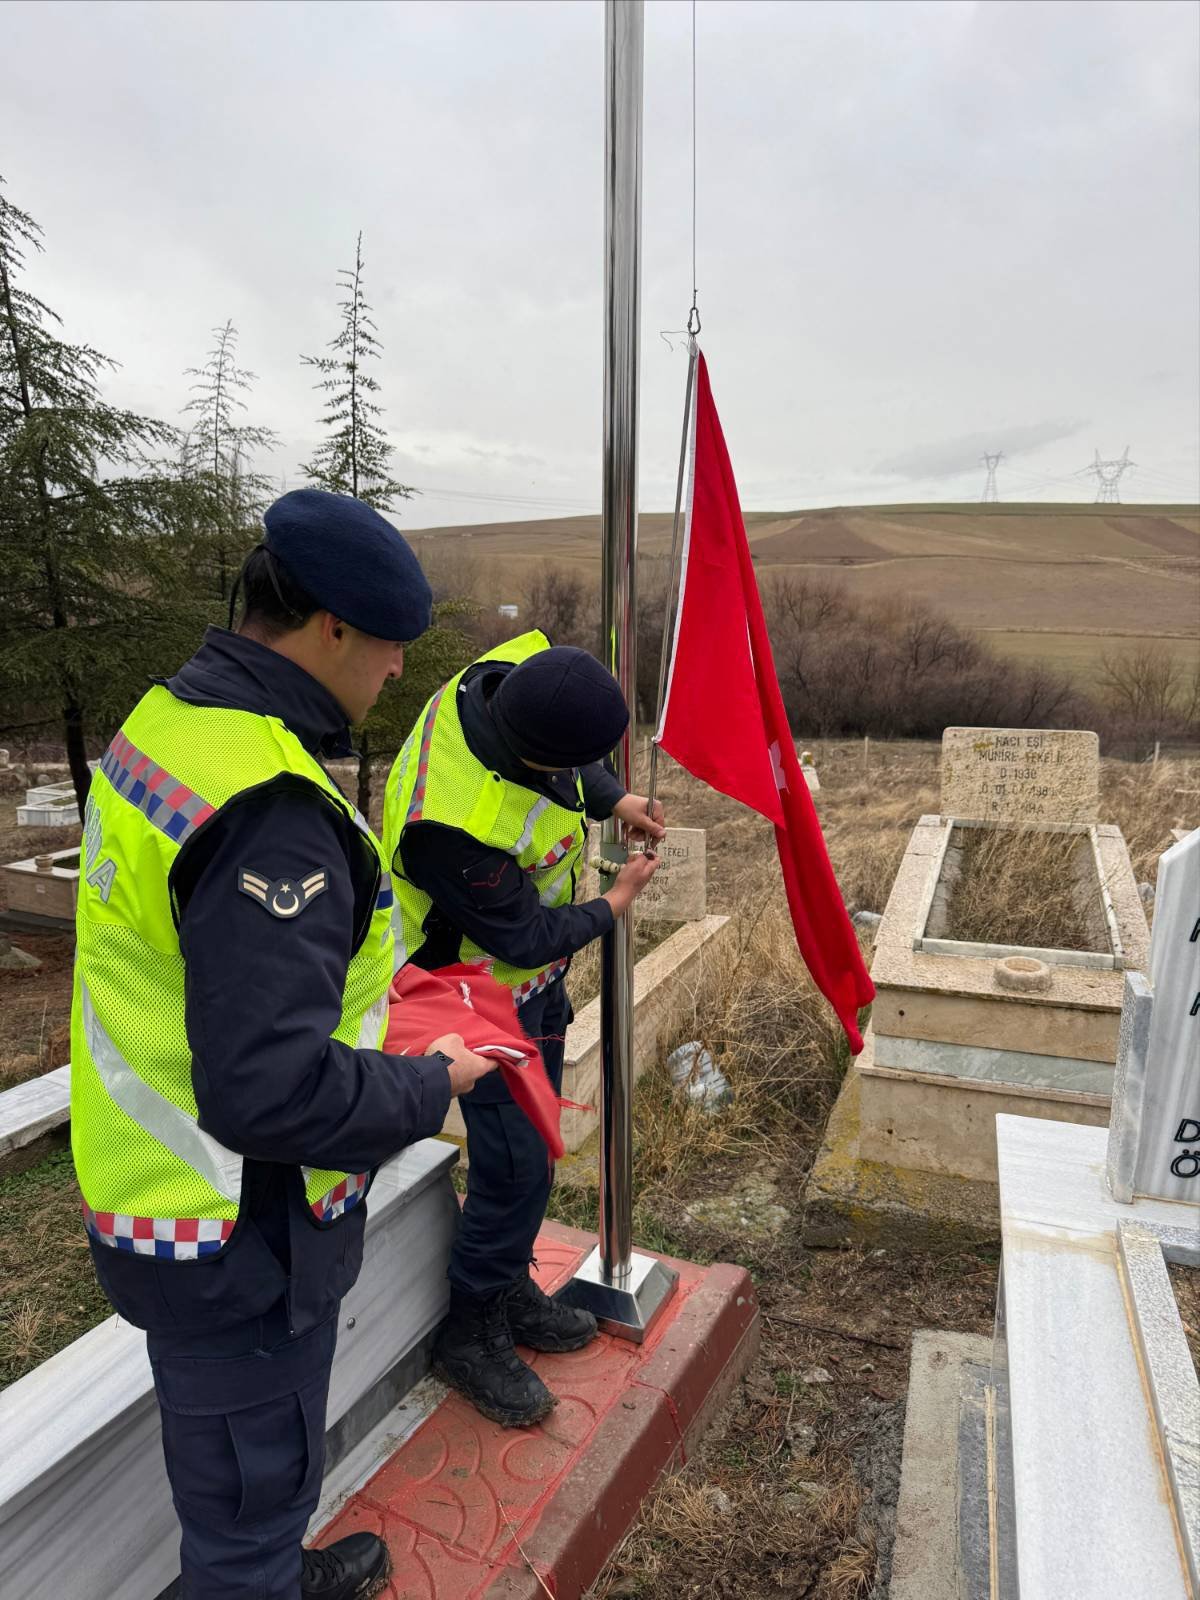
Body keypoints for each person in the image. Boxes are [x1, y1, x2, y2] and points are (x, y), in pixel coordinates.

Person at [69, 489, 497, 1600]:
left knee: (247, 1476)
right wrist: (425, 1086)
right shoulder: (272, 806)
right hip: (237, 1230)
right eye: (392, 644)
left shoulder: (171, 721)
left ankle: (272, 1569)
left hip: (167, 1200)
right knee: (249, 1501)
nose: (401, 669)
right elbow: (266, 1086)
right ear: (331, 631)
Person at [382, 628, 665, 1427]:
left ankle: (504, 1285)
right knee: (513, 1168)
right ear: (532, 753)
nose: (577, 777)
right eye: (570, 769)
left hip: (524, 986)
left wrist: (615, 797)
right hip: (467, 997)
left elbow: (570, 765)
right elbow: (525, 935)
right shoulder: (453, 820)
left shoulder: (515, 676)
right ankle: (469, 1331)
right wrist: (616, 902)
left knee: (532, 1156)